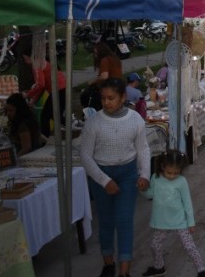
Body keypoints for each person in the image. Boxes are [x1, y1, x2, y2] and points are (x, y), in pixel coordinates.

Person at [80, 78, 151, 277]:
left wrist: (144, 174)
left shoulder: (135, 119)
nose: (106, 102)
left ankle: (124, 271)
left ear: (123, 97)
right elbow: (85, 156)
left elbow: (143, 149)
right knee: (106, 222)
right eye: (103, 98)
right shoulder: (94, 122)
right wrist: (104, 181)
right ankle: (108, 264)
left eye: (111, 98)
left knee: (125, 221)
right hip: (100, 174)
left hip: (128, 174)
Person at [140, 151, 205, 277]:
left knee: (189, 246)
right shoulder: (155, 178)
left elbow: (187, 203)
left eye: (176, 173)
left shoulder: (181, 181)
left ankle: (201, 270)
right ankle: (159, 267)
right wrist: (142, 189)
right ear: (162, 166)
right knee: (155, 245)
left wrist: (191, 222)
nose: (172, 176)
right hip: (161, 221)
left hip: (179, 221)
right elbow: (150, 195)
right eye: (169, 172)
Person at [22, 50, 66, 138]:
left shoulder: (36, 65)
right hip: (62, 89)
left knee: (45, 116)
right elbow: (42, 87)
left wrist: (27, 95)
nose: (25, 61)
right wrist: (33, 100)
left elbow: (40, 85)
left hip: (58, 90)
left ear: (31, 56)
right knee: (55, 115)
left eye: (25, 58)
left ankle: (44, 139)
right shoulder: (41, 62)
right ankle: (74, 124)